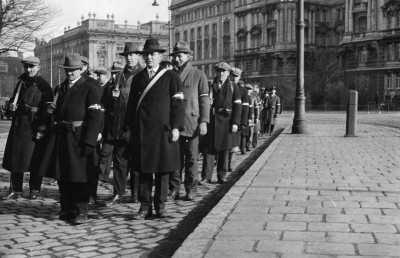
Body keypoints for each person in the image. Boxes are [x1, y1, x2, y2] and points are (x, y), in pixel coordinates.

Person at [124, 38, 185, 219]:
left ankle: (160, 206)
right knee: (143, 170)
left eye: (153, 54)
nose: (149, 58)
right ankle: (144, 207)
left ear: (159, 56)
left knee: (162, 170)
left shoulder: (171, 77)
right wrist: (128, 128)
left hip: (163, 131)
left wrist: (176, 127)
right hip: (142, 132)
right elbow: (131, 105)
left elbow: (178, 103)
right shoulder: (138, 78)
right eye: (146, 54)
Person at [39, 53, 103, 224]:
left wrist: (90, 141)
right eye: (67, 70)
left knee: (79, 176)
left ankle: (82, 211)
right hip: (62, 137)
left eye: (73, 70)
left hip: (79, 137)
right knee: (63, 175)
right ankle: (66, 209)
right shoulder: (61, 88)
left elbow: (96, 115)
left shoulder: (90, 86)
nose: (70, 73)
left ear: (81, 69)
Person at [1, 56, 53, 200]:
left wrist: (42, 129)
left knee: (36, 158)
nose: (28, 69)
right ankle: (15, 189)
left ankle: (35, 189)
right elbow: (14, 101)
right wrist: (11, 106)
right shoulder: (21, 82)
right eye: (26, 67)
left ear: (38, 67)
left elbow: (47, 111)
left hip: (34, 126)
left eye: (31, 66)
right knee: (15, 157)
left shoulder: (44, 85)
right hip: (19, 124)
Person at [167, 42, 210, 201]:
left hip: (192, 123)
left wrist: (204, 121)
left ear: (188, 56)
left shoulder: (198, 75)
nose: (177, 59)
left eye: (180, 56)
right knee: (174, 158)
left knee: (191, 158)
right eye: (175, 56)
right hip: (173, 124)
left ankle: (191, 189)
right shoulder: (170, 75)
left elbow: (205, 101)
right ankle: (174, 188)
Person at [102, 42, 143, 206]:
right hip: (119, 125)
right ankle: (118, 193)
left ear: (138, 56)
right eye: (127, 55)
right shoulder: (118, 76)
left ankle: (136, 193)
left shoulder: (142, 75)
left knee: (136, 162)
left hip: (135, 125)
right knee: (119, 161)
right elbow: (109, 101)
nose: (130, 58)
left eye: (132, 55)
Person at [200, 62, 241, 185]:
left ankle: (221, 175)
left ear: (228, 73)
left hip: (226, 122)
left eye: (224, 71)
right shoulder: (210, 86)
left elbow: (238, 107)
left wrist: (235, 123)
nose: (221, 73)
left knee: (224, 150)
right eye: (218, 71)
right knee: (209, 150)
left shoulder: (234, 87)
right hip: (212, 122)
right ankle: (206, 176)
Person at [97, 61, 124, 183]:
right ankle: (102, 177)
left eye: (117, 73)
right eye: (112, 73)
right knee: (105, 153)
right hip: (109, 125)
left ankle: (119, 182)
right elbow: (103, 105)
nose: (114, 76)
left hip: (121, 126)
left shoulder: (125, 87)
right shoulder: (108, 88)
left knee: (120, 157)